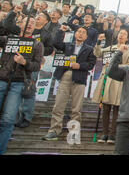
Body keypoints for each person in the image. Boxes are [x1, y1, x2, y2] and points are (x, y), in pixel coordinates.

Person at [42, 26, 96, 141]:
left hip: (79, 77)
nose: (80, 34)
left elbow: (91, 64)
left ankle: (74, 132)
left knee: (76, 108)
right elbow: (56, 43)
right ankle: (54, 130)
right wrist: (61, 31)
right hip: (66, 75)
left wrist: (80, 66)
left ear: (86, 36)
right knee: (59, 104)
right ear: (75, 34)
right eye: (79, 32)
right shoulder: (67, 45)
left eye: (83, 33)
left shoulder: (89, 49)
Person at [0, 16, 44, 154]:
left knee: (8, 119)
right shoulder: (8, 40)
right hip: (2, 79)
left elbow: (37, 66)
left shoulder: (37, 44)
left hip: (18, 83)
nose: (30, 24)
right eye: (27, 22)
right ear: (20, 24)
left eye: (33, 22)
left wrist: (25, 62)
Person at [92, 29, 129, 144]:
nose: (122, 35)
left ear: (127, 38)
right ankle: (105, 133)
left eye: (124, 34)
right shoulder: (110, 48)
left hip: (118, 80)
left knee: (117, 108)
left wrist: (115, 66)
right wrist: (98, 42)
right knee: (106, 107)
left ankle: (112, 134)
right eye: (120, 33)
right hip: (107, 79)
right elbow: (98, 53)